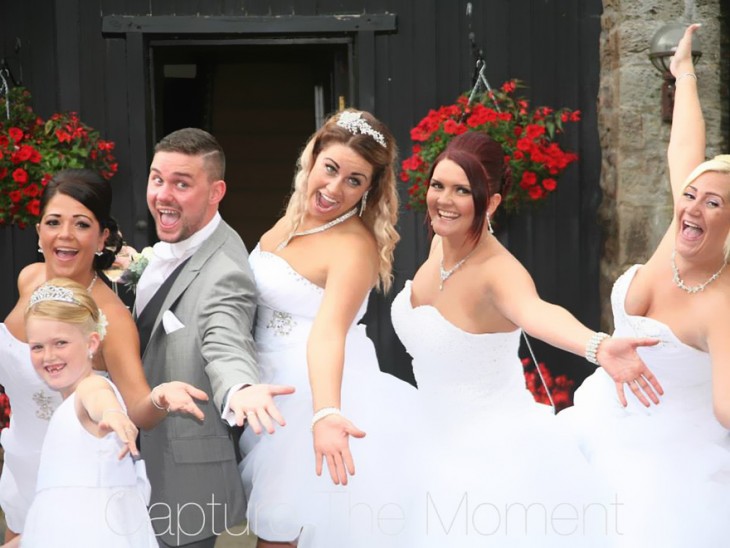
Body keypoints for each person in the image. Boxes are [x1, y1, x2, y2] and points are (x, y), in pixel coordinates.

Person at [389, 123, 668, 543]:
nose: (444, 200)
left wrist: (599, 346)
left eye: (462, 191)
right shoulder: (439, 246)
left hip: (489, 459)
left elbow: (536, 312)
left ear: (492, 201)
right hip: (428, 437)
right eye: (438, 185)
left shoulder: (499, 272)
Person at [559, 24, 730, 546]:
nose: (692, 206)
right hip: (599, 425)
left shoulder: (721, 305)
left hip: (664, 473)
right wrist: (684, 74)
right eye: (691, 195)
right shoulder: (676, 235)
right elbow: (686, 145)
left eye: (713, 202)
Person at [238, 110, 419, 548]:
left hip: (313, 392)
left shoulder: (353, 246)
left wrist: (323, 414)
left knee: (282, 531)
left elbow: (329, 333)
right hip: (266, 382)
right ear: (314, 155)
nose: (334, 189)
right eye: (331, 169)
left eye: (354, 181)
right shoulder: (293, 216)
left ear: (370, 188)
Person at [0, 169, 206, 544]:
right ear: (38, 230)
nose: (64, 235)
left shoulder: (110, 319)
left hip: (72, 478)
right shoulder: (29, 279)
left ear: (101, 237)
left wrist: (158, 399)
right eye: (53, 222)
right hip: (19, 463)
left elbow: (131, 405)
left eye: (81, 224)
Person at [135, 127, 295, 548]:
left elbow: (225, 339)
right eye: (157, 179)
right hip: (133, 464)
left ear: (215, 191)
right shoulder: (163, 249)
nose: (163, 195)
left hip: (181, 478)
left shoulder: (225, 270)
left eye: (181, 184)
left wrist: (240, 387)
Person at [15, 278, 157, 547]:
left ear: (91, 343)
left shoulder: (91, 387)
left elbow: (98, 398)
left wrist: (112, 413)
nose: (48, 356)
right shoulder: (65, 408)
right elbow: (53, 519)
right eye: (37, 346)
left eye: (60, 343)